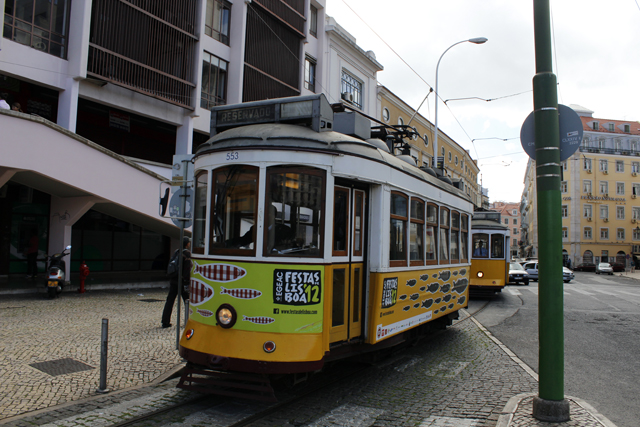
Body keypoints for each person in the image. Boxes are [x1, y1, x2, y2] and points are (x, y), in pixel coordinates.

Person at [162, 237, 191, 328]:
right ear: (187, 244)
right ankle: (189, 321)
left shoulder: (177, 251)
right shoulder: (187, 254)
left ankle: (165, 321)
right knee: (188, 302)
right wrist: (186, 282)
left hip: (174, 280)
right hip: (182, 282)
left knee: (170, 301)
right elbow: (187, 269)